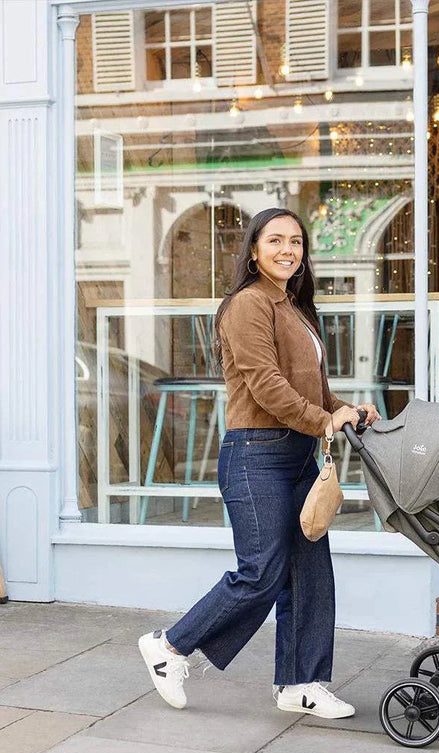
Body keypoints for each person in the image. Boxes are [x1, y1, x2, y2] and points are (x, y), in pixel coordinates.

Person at [139, 208, 381, 718]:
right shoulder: (248, 304)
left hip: (296, 456)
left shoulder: (292, 305)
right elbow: (265, 385)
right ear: (254, 249)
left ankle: (302, 684)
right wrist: (322, 422)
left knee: (311, 574)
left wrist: (344, 409)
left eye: (295, 241)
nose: (287, 250)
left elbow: (305, 384)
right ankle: (170, 647)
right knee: (262, 573)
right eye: (275, 240)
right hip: (257, 456)